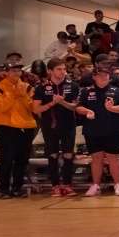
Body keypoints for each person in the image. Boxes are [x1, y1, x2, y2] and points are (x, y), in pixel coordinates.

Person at [76, 65, 119, 196]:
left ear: (109, 76)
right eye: (100, 75)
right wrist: (87, 111)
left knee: (113, 158)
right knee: (96, 158)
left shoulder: (116, 91)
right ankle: (96, 185)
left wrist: (112, 108)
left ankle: (118, 184)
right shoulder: (86, 91)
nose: (103, 77)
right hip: (92, 131)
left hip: (113, 130)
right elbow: (78, 107)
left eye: (106, 75)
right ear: (94, 77)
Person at [33, 58, 80, 196]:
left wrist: (62, 102)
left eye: (64, 69)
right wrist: (52, 103)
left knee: (68, 154)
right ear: (50, 71)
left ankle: (67, 184)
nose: (63, 72)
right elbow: (36, 109)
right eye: (59, 69)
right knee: (52, 155)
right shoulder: (42, 87)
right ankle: (55, 185)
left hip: (68, 125)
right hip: (49, 125)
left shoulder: (73, 86)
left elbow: (76, 107)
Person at [0, 60, 37, 198]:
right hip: (7, 127)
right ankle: (4, 189)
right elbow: (0, 108)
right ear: (6, 72)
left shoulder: (27, 87)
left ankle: (17, 188)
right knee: (6, 159)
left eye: (18, 70)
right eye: (13, 71)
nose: (16, 73)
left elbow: (32, 108)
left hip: (26, 126)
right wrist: (14, 95)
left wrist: (23, 96)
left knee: (22, 159)